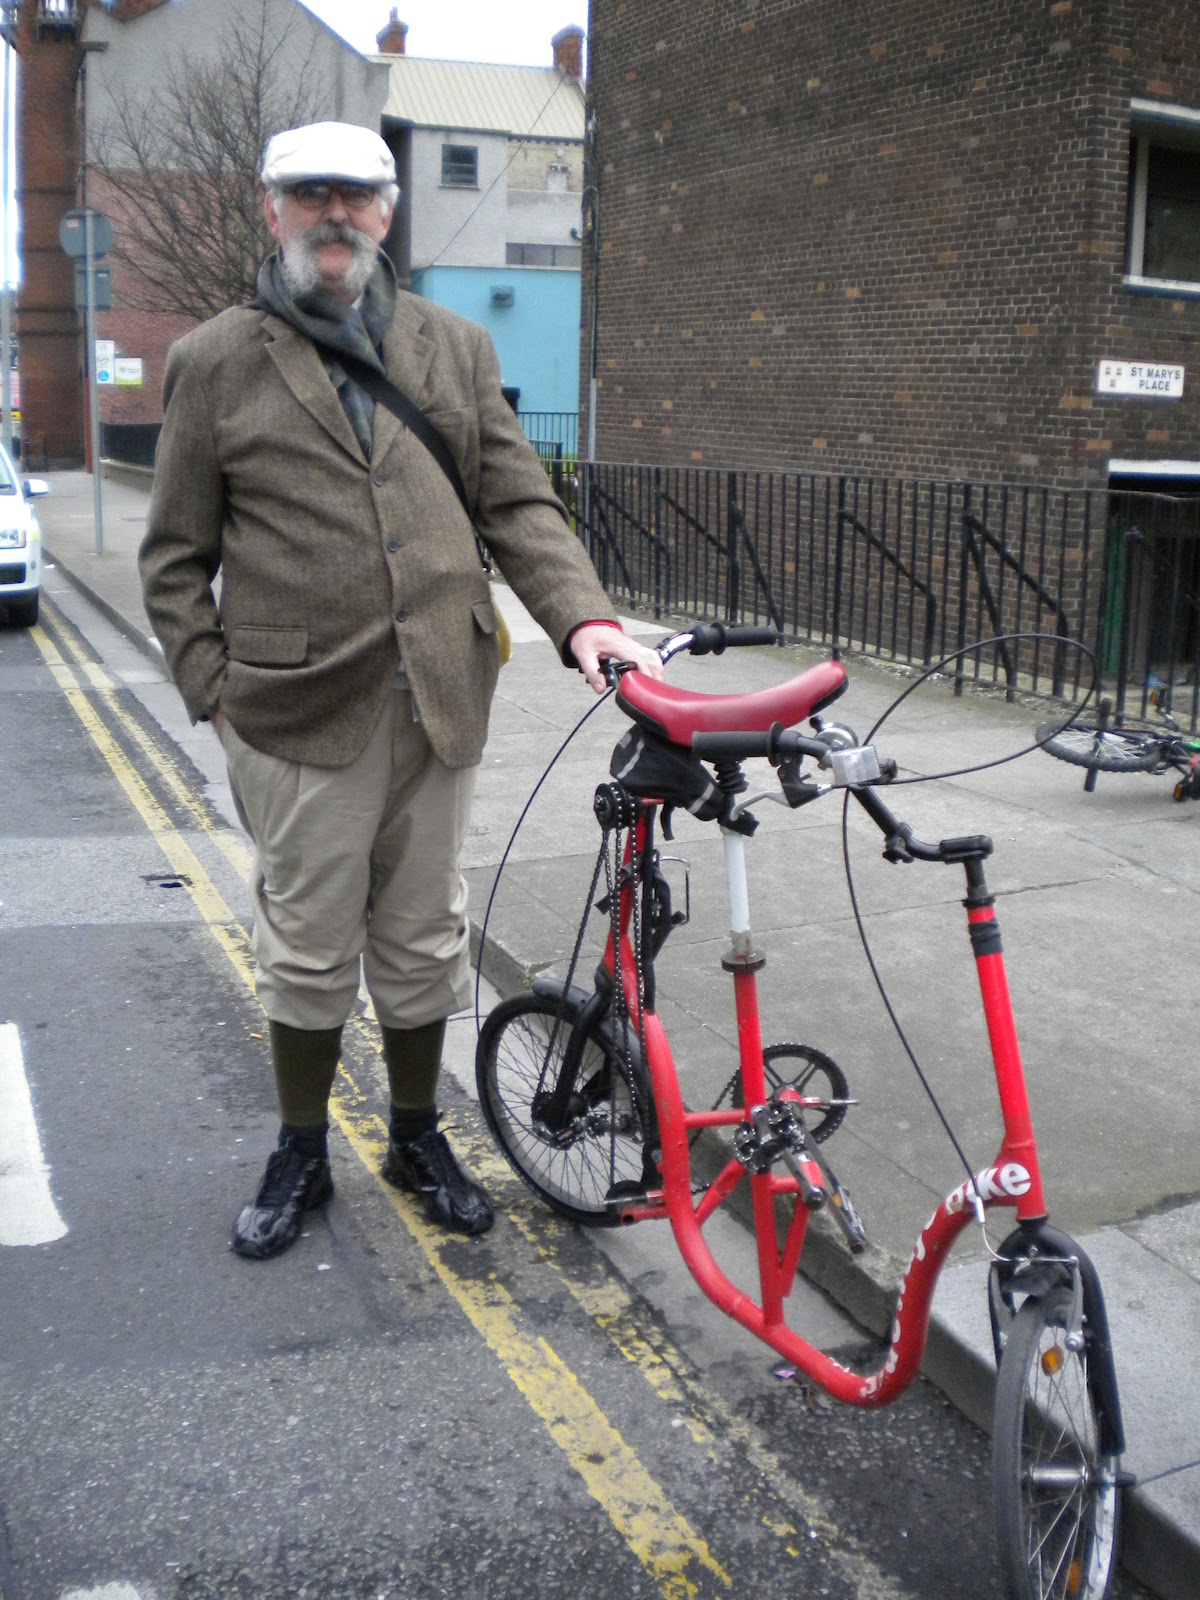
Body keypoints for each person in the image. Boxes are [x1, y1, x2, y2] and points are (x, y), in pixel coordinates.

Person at [139, 121, 662, 1261]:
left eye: (357, 196)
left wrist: (589, 621)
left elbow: (519, 503)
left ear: (387, 214)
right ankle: (297, 1150)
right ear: (271, 208)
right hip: (289, 708)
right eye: (309, 194)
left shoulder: (455, 348)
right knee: (309, 944)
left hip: (440, 695)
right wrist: (213, 693)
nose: (335, 215)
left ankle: (419, 1135)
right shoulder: (217, 358)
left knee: (426, 937)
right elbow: (174, 557)